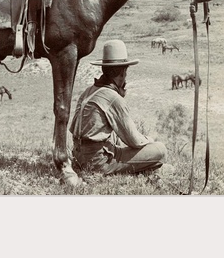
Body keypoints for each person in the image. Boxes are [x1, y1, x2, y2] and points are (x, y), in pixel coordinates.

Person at [69, 39, 167, 175]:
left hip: (78, 158)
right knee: (160, 150)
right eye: (125, 73)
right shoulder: (113, 97)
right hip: (98, 162)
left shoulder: (88, 91)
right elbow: (134, 141)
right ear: (122, 73)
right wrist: (149, 140)